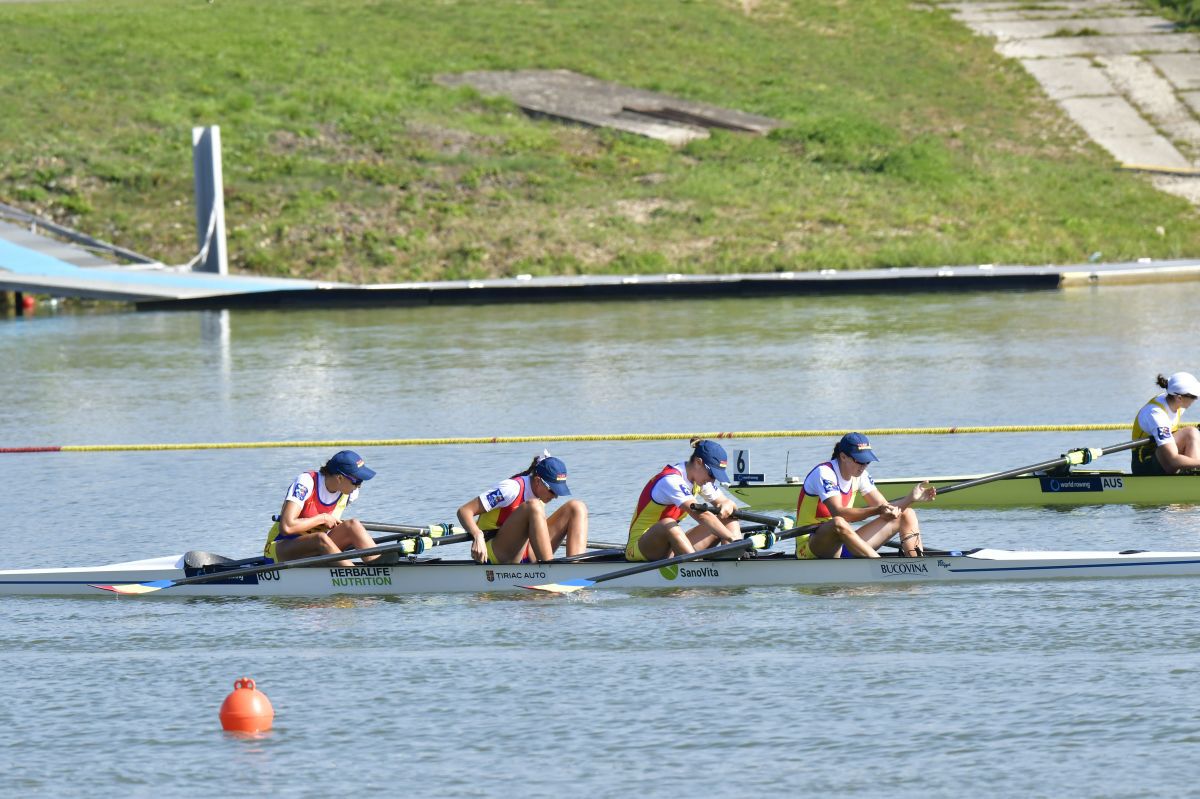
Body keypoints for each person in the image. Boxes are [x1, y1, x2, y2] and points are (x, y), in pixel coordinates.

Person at [793, 432, 935, 560]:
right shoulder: (825, 473)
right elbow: (839, 513)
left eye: (867, 462)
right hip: (811, 546)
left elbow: (887, 511)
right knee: (838, 522)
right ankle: (879, 564)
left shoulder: (861, 476)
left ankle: (918, 563)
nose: (863, 466)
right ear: (843, 456)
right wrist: (877, 510)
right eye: (859, 461)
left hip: (843, 542)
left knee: (906, 514)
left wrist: (910, 498)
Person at [458, 452, 588, 564]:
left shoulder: (540, 493)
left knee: (577, 507)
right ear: (537, 481)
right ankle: (550, 569)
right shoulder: (509, 489)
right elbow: (464, 511)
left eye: (558, 491)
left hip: (527, 552)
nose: (555, 496)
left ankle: (575, 569)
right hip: (494, 554)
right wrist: (477, 535)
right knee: (534, 506)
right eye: (552, 491)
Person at [625, 439, 743, 562]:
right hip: (641, 547)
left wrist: (728, 504)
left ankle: (733, 560)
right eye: (712, 475)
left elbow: (726, 503)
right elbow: (702, 516)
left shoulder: (700, 479)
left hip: (671, 545)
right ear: (698, 462)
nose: (712, 480)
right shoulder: (671, 480)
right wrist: (732, 538)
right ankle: (696, 567)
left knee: (729, 517)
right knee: (668, 524)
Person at [263, 450, 381, 567]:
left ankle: (380, 565)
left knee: (353, 525)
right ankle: (356, 574)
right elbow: (286, 527)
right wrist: (323, 518)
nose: (359, 486)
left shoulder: (351, 493)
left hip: (316, 549)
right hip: (280, 549)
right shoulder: (306, 483)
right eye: (357, 481)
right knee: (319, 538)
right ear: (339, 478)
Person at [1131, 372, 1200, 475]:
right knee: (1190, 433)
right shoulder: (1156, 414)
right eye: (1194, 397)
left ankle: (1193, 473)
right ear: (1179, 398)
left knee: (1193, 434)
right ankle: (1193, 474)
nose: (1196, 400)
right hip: (1144, 463)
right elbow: (1173, 460)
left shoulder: (1174, 400)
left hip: (1160, 454)